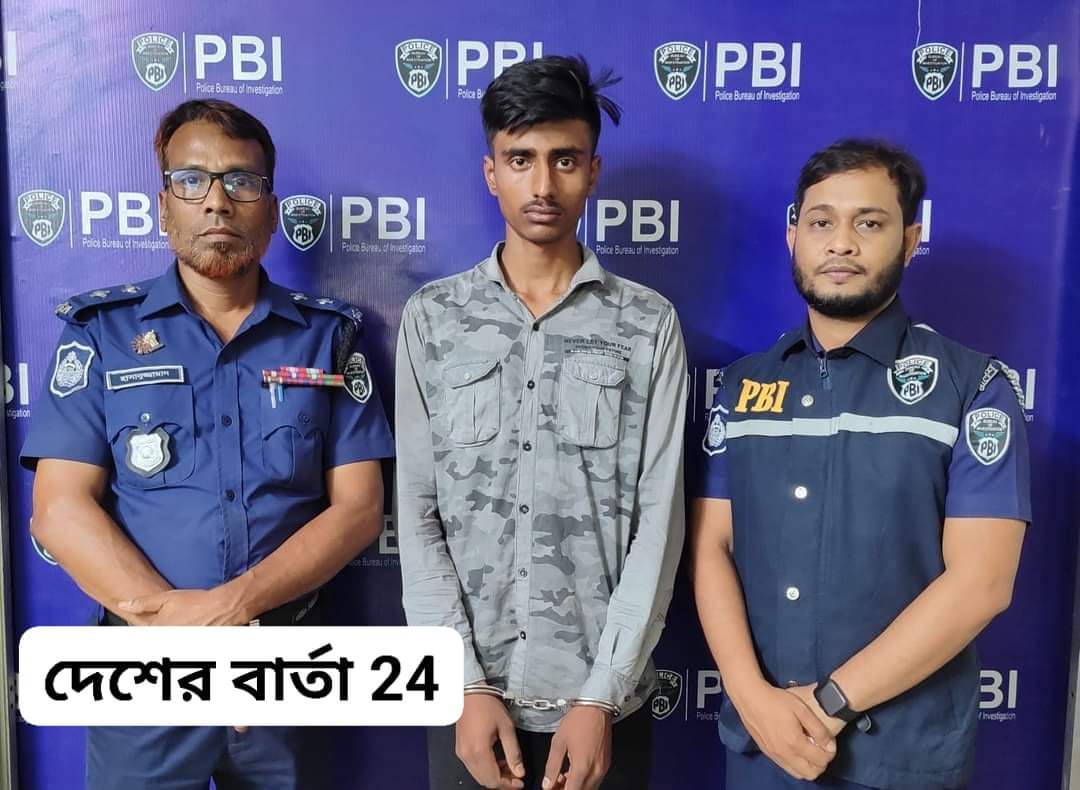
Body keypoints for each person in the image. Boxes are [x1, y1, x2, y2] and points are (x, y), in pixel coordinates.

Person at [21, 99, 394, 789]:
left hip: (284, 672)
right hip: (143, 675)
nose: (217, 201)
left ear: (271, 212)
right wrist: (179, 630)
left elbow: (359, 508)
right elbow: (59, 509)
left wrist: (233, 608)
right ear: (164, 208)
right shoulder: (101, 333)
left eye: (241, 181)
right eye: (192, 180)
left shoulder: (327, 339)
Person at [691, 138, 1029, 789]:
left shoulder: (973, 387)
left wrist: (828, 705)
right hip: (763, 747)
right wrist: (753, 699)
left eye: (869, 223)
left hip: (903, 755)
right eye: (821, 222)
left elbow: (982, 583)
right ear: (793, 235)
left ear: (911, 240)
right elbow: (710, 546)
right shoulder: (742, 386)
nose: (841, 244)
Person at [395, 55, 687, 790]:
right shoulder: (434, 317)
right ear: (491, 172)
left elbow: (659, 521)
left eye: (565, 159)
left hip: (602, 712)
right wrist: (461, 682)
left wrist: (602, 694)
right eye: (520, 159)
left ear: (593, 171)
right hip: (470, 708)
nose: (543, 185)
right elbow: (418, 513)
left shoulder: (647, 323)